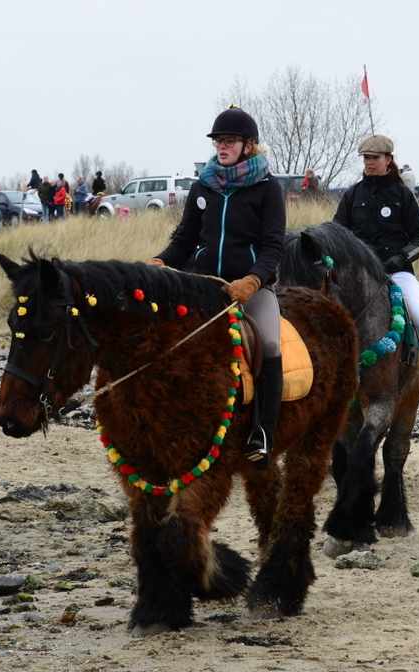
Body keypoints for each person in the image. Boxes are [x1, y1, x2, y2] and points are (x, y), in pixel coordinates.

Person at [150, 106, 285, 470]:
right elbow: (185, 239)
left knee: (270, 344)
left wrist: (254, 280)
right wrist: (160, 262)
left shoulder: (267, 188)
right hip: (204, 286)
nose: (222, 146)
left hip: (253, 288)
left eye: (229, 141)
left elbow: (274, 245)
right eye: (218, 141)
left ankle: (263, 432)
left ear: (248, 145)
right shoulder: (202, 186)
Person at [334, 134, 419, 415]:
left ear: (388, 159)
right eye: (366, 158)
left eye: (374, 158)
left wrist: (400, 258)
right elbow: (337, 233)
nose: (369, 163)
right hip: (359, 275)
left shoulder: (403, 195)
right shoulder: (352, 195)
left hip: (396, 273)